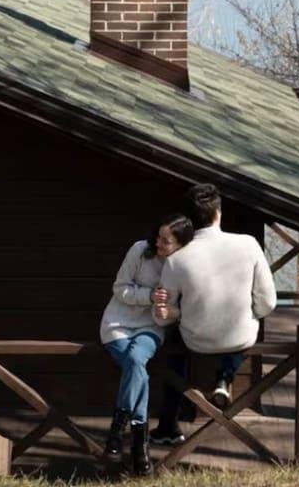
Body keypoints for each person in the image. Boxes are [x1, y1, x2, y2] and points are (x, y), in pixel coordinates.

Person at [151, 183, 277, 443]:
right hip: (239, 337)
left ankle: (168, 426)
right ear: (218, 213)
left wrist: (177, 311)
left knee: (174, 348)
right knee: (245, 325)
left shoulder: (177, 259)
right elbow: (268, 303)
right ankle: (225, 377)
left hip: (195, 340)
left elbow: (165, 313)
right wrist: (250, 312)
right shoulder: (248, 244)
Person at [99, 213, 195, 475]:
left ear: (180, 245)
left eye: (166, 241)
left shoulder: (182, 266)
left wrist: (168, 312)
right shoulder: (140, 250)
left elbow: (182, 307)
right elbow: (120, 288)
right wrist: (150, 296)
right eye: (159, 236)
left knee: (135, 361)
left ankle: (117, 432)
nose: (159, 243)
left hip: (151, 328)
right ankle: (140, 447)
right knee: (137, 368)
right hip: (118, 325)